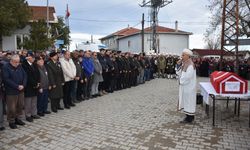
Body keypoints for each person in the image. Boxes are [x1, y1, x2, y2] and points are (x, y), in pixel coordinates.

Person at [2, 54, 27, 129]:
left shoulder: (19, 66)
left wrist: (23, 85)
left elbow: (25, 75)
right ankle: (11, 121)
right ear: (11, 61)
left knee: (20, 105)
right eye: (15, 62)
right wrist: (17, 86)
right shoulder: (6, 67)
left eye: (18, 62)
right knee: (11, 107)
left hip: (21, 90)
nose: (17, 63)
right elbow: (6, 79)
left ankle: (17, 119)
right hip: (11, 91)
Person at [176, 49, 197, 124]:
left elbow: (188, 76)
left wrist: (181, 81)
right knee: (186, 102)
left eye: (183, 55)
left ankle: (190, 118)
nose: (182, 56)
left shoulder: (190, 64)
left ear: (188, 56)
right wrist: (178, 65)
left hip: (189, 87)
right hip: (185, 87)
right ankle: (188, 116)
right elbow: (179, 72)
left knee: (189, 102)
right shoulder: (185, 63)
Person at [22, 51, 41, 122]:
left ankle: (34, 113)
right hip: (29, 86)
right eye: (32, 57)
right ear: (28, 58)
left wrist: (38, 82)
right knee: (28, 102)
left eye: (33, 57)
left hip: (36, 85)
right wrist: (35, 84)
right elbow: (28, 76)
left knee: (34, 101)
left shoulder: (34, 64)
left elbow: (38, 74)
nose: (33, 59)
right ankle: (28, 115)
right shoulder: (24, 65)